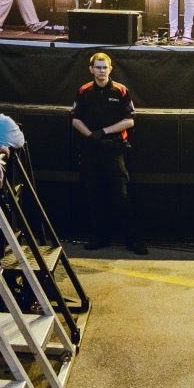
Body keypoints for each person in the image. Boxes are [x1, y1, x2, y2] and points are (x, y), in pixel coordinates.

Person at [71, 52, 142, 252]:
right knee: (94, 194)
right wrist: (91, 136)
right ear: (91, 69)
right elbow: (75, 119)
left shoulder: (121, 90)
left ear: (110, 69)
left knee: (122, 194)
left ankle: (132, 239)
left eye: (105, 67)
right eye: (98, 67)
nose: (101, 71)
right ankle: (99, 238)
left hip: (114, 149)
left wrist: (104, 132)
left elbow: (130, 120)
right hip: (91, 149)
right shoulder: (84, 91)